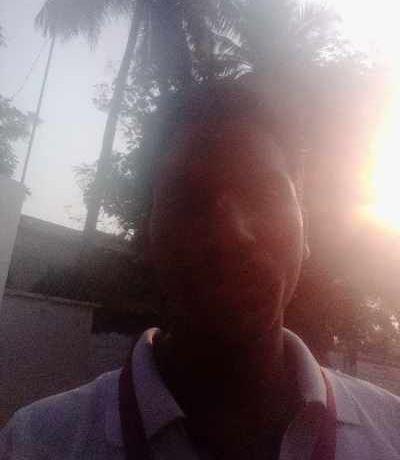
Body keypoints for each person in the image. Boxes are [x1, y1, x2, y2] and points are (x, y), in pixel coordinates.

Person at [1, 78, 400, 459]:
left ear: (305, 229)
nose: (230, 233)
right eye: (189, 199)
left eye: (263, 193)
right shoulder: (36, 444)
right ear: (147, 236)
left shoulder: (392, 430)